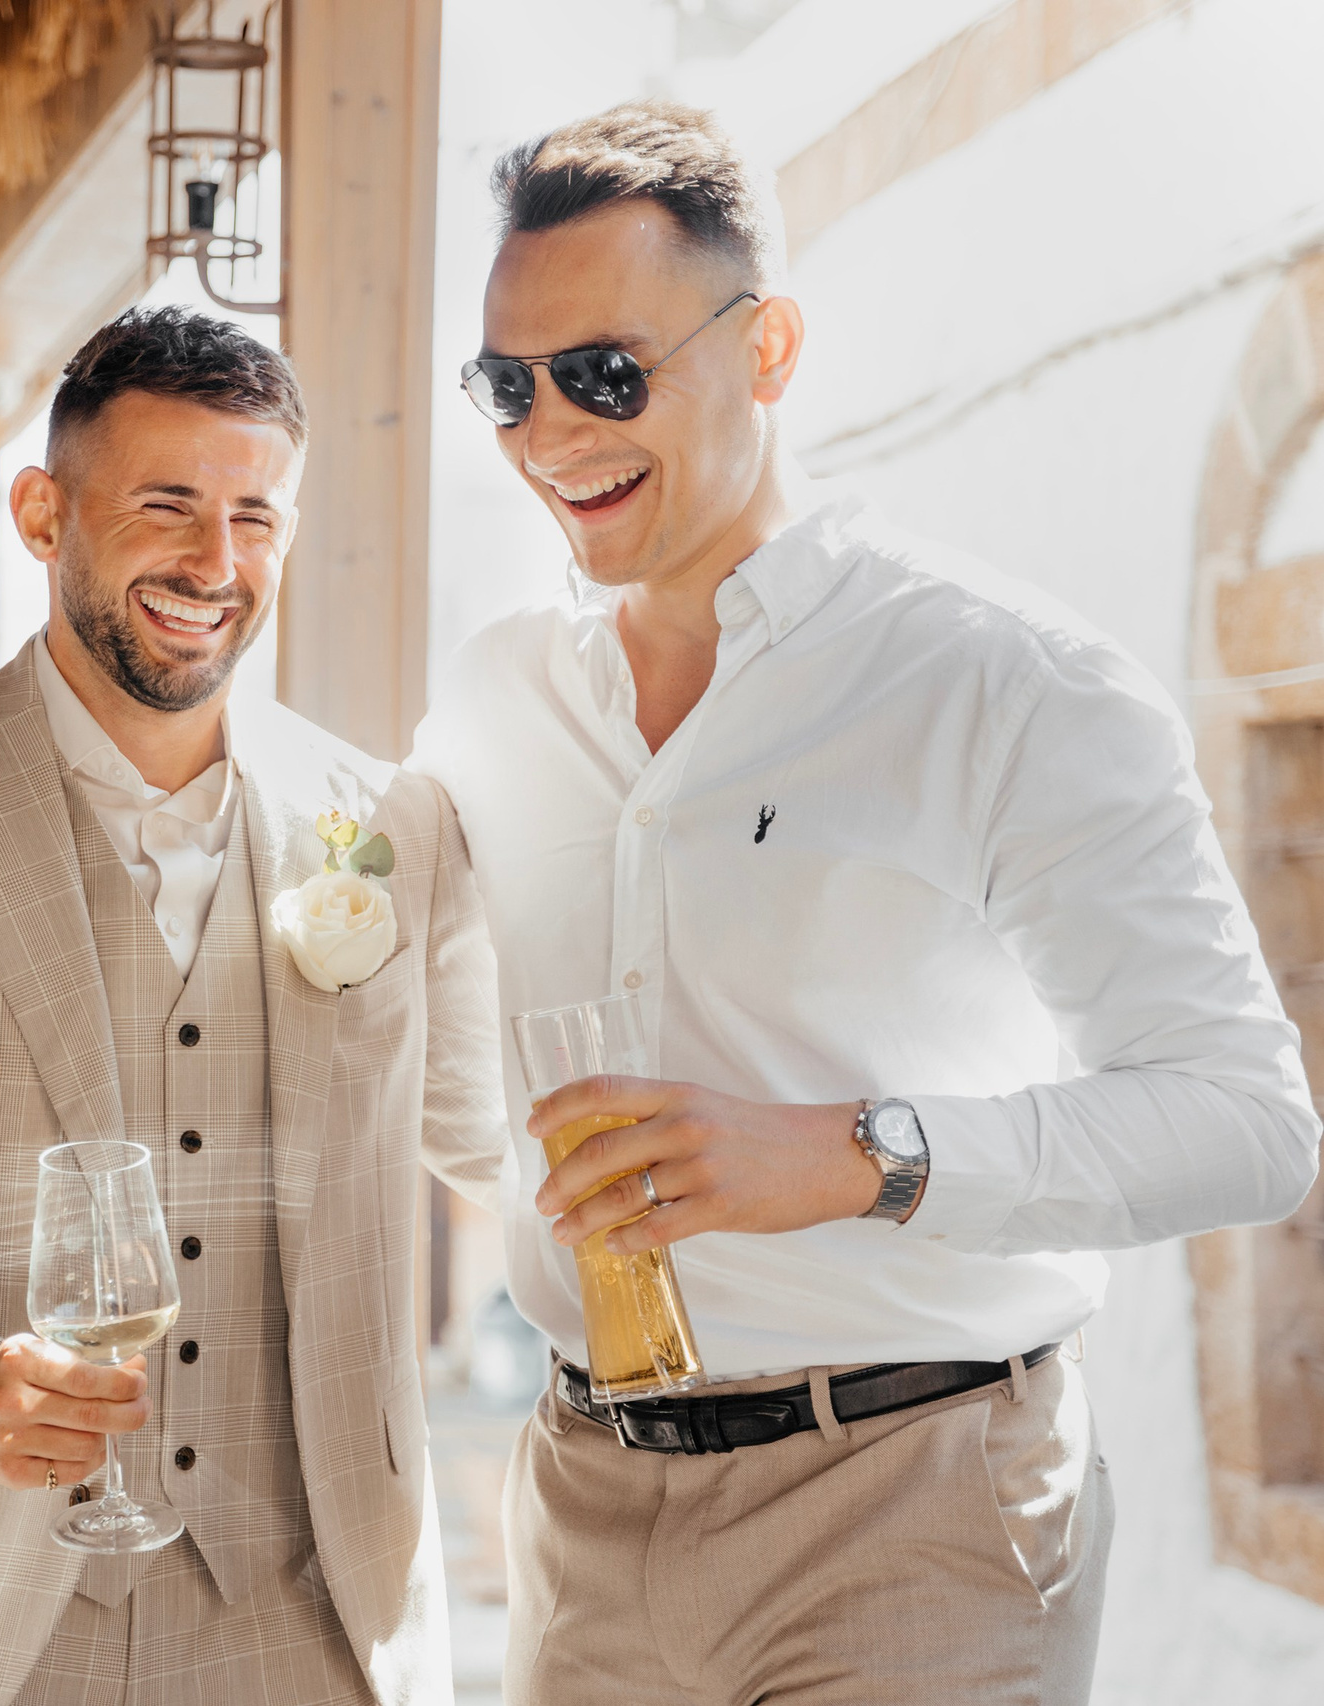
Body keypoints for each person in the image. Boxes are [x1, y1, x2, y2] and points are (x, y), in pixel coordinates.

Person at [408, 101, 1321, 1704]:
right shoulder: (492, 701)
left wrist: (851, 1157)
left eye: (606, 373)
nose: (552, 431)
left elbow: (1247, 1121)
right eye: (508, 385)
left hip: (915, 1503)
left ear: (766, 350)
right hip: (583, 1498)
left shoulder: (1004, 680)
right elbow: (372, 962)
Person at [0, 306, 502, 1706]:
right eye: (167, 505)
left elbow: (506, 1139)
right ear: (41, 511)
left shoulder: (396, 830)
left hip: (304, 1616)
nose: (214, 561)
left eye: (256, 516)